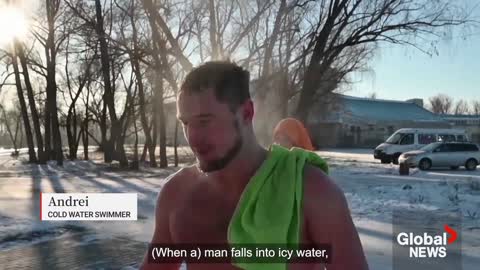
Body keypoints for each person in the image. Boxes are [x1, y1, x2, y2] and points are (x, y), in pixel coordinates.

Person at [140, 61, 368, 270]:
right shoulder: (176, 194)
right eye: (185, 123)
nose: (192, 138)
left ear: (246, 113)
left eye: (204, 121)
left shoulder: (311, 191)